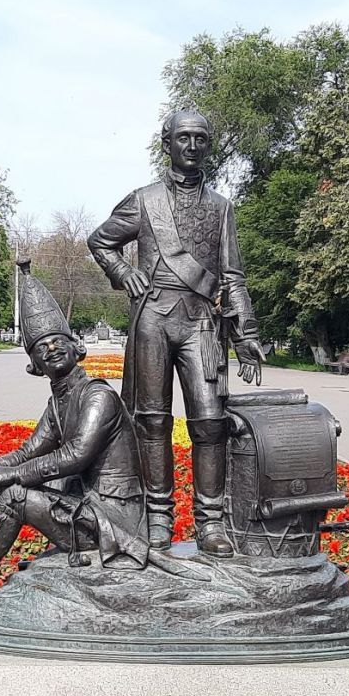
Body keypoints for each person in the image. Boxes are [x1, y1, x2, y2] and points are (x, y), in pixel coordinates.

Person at [87, 110, 265, 557]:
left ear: (209, 145)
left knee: (210, 422)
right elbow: (101, 241)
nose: (192, 145)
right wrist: (122, 271)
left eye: (200, 138)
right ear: (167, 144)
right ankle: (158, 517)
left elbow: (233, 275)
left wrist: (246, 334)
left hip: (202, 322)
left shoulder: (221, 207)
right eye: (183, 137)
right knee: (152, 419)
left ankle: (210, 522)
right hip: (153, 319)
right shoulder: (144, 201)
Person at [0, 261, 150, 602]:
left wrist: (14, 475)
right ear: (34, 365)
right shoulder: (58, 403)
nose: (52, 349)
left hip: (114, 520)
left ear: (76, 348)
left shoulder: (97, 396)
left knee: (17, 494)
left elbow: (76, 455)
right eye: (41, 348)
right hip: (88, 507)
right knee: (20, 485)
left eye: (58, 341)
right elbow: (29, 451)